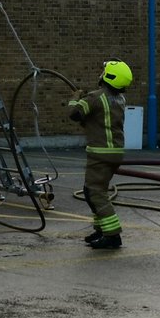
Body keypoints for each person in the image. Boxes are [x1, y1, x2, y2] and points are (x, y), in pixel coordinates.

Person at [68, 60, 132, 250]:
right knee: (95, 191)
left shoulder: (95, 97)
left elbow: (75, 114)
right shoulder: (119, 99)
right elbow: (97, 119)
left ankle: (112, 235)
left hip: (100, 153)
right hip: (114, 152)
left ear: (109, 76)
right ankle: (101, 229)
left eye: (104, 70)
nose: (101, 72)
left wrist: (75, 98)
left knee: (94, 193)